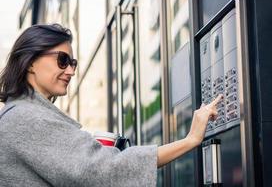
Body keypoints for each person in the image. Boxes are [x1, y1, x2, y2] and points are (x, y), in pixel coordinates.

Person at [0, 23, 222, 187]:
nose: (71, 71)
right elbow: (103, 169)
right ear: (30, 63)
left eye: (73, 63)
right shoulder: (28, 118)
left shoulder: (19, 114)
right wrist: (190, 140)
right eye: (62, 60)